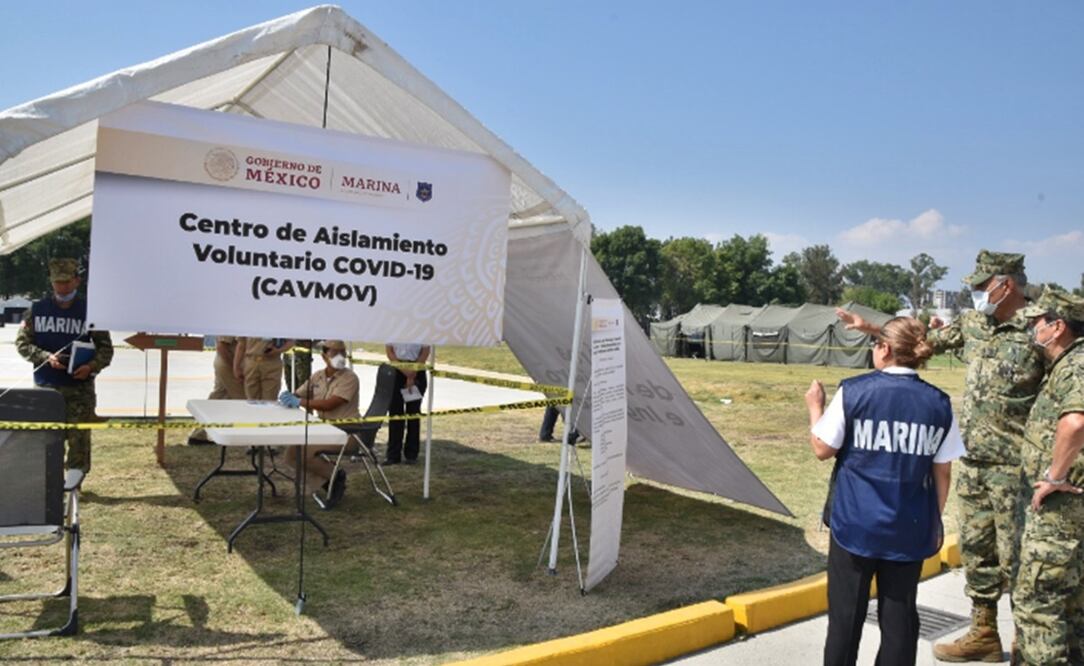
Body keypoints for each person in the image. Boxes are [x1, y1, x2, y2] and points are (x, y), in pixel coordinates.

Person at [836, 250, 1044, 663]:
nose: (978, 294)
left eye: (984, 287)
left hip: (1019, 467)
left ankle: (1028, 644)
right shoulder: (975, 323)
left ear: (1008, 284)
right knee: (978, 553)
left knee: (1021, 558)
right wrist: (873, 329)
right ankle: (984, 634)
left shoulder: (1041, 328)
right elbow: (917, 345)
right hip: (975, 462)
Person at [805, 316, 964, 666]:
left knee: (845, 621)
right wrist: (933, 519)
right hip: (908, 527)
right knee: (900, 622)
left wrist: (815, 405)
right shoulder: (938, 403)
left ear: (885, 349)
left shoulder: (855, 391)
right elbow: (944, 472)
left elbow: (822, 448)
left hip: (854, 525)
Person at [1011, 287, 1084, 665]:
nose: (1031, 329)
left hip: (1060, 511)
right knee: (1071, 606)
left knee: (1039, 604)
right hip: (1070, 511)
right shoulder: (1067, 365)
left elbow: (1075, 423)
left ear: (1057, 328)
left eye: (1037, 323)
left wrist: (1054, 476)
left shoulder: (1076, 365)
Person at [15, 258, 114, 476]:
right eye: (58, 282)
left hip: (79, 390)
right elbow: (22, 344)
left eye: (67, 282)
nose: (62, 287)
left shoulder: (90, 312)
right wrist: (44, 356)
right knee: (47, 441)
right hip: (46, 388)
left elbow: (106, 349)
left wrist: (91, 366)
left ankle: (75, 486)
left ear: (77, 281)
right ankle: (49, 485)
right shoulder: (37, 310)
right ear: (51, 282)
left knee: (79, 443)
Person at [278, 340, 359, 510]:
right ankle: (330, 479)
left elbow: (330, 404)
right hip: (324, 431)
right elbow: (299, 393)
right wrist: (288, 397)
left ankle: (334, 479)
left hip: (346, 433)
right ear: (324, 356)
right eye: (335, 353)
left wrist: (299, 401)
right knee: (291, 454)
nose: (340, 357)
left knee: (300, 453)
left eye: (343, 352)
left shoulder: (350, 378)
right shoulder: (318, 376)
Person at [188, 335, 244, 445]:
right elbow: (221, 346)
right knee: (242, 398)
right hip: (227, 363)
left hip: (229, 363)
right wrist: (234, 367)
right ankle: (249, 437)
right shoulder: (232, 322)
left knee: (219, 397)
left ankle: (199, 434)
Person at [383, 342, 430, 465]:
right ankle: (393, 455)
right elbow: (390, 352)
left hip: (416, 372)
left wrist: (411, 374)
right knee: (395, 414)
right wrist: (404, 370)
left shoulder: (422, 330)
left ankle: (411, 454)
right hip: (397, 372)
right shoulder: (394, 329)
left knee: (413, 414)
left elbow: (425, 352)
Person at [236, 336, 293, 401]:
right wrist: (236, 367)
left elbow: (290, 342)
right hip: (251, 362)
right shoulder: (247, 326)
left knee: (270, 400)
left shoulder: (279, 326)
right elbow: (241, 345)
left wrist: (278, 350)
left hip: (271, 362)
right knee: (252, 399)